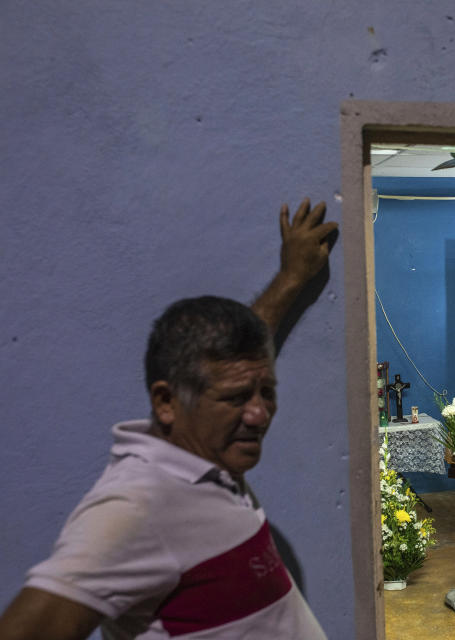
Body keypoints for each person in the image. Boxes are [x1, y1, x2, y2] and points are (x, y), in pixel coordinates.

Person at [0, 198, 337, 640]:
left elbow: (232, 363)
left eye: (267, 392)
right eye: (238, 398)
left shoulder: (205, 458)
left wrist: (292, 277)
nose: (258, 414)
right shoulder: (137, 506)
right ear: (166, 401)